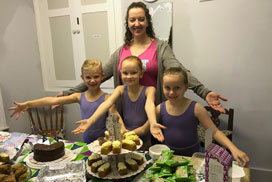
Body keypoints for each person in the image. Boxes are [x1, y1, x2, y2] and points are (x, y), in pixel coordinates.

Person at [60, 1, 227, 114]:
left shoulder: (160, 47)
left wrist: (204, 92)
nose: (137, 23)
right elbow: (96, 76)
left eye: (141, 19)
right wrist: (68, 94)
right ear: (128, 23)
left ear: (147, 21)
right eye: (132, 20)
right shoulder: (120, 53)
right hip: (127, 115)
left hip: (155, 113)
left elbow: (180, 72)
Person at [151, 67, 250, 167]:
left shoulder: (196, 108)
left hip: (192, 158)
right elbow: (148, 125)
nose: (172, 92)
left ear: (186, 87)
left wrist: (233, 148)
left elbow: (214, 132)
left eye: (177, 87)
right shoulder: (159, 109)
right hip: (169, 158)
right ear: (162, 87)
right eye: (167, 88)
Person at [8, 60, 125, 144]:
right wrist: (28, 104)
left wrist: (124, 131)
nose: (92, 80)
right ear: (82, 78)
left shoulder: (107, 98)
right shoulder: (79, 96)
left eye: (96, 76)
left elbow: (116, 116)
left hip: (104, 141)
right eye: (88, 77)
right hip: (86, 140)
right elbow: (52, 100)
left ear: (102, 76)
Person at [72, 56, 156, 150]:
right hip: (125, 138)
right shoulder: (120, 89)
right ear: (120, 74)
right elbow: (107, 103)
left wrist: (153, 122)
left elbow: (149, 105)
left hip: (144, 140)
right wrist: (91, 120)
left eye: (133, 73)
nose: (129, 76)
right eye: (125, 73)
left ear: (141, 74)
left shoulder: (150, 90)